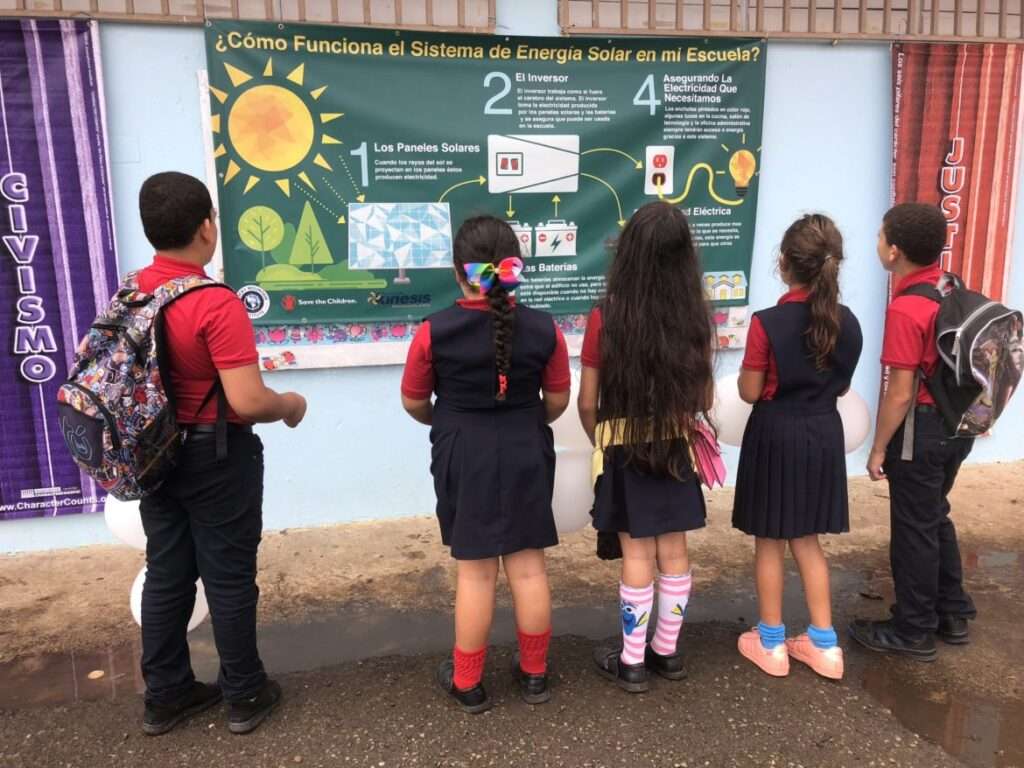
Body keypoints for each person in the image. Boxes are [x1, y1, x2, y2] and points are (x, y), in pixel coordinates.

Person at [136, 172, 307, 735]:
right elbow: (247, 400)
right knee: (229, 578)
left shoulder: (133, 293)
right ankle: (245, 693)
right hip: (215, 456)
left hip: (155, 456)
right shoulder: (214, 303)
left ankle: (166, 695)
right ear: (207, 227)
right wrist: (288, 403)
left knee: (167, 574)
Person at [401, 215, 571, 713]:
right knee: (529, 566)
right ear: (515, 268)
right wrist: (523, 419)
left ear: (459, 273)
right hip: (525, 447)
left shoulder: (433, 331)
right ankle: (535, 674)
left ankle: (469, 682)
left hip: (462, 450)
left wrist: (447, 419)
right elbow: (558, 399)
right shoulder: (545, 328)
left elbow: (413, 402)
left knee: (475, 573)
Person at [577, 202, 714, 693]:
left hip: (624, 449)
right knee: (674, 550)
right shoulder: (696, 317)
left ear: (627, 252)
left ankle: (631, 660)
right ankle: (667, 652)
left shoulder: (605, 316)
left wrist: (605, 444)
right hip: (675, 448)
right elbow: (706, 399)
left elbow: (588, 402)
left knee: (637, 553)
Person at [732, 214, 863, 680]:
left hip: (775, 435)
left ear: (784, 263)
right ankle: (825, 645)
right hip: (823, 434)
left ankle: (771, 642)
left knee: (769, 540)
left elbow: (749, 391)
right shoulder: (849, 324)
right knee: (807, 540)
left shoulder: (768, 323)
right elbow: (842, 387)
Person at [849, 203, 976, 661]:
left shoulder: (906, 308)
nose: (877, 243)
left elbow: (900, 392)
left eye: (881, 236)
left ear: (894, 250)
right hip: (958, 425)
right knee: (933, 517)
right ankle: (952, 612)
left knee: (913, 529)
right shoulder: (950, 286)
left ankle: (913, 629)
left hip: (919, 429)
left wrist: (878, 447)